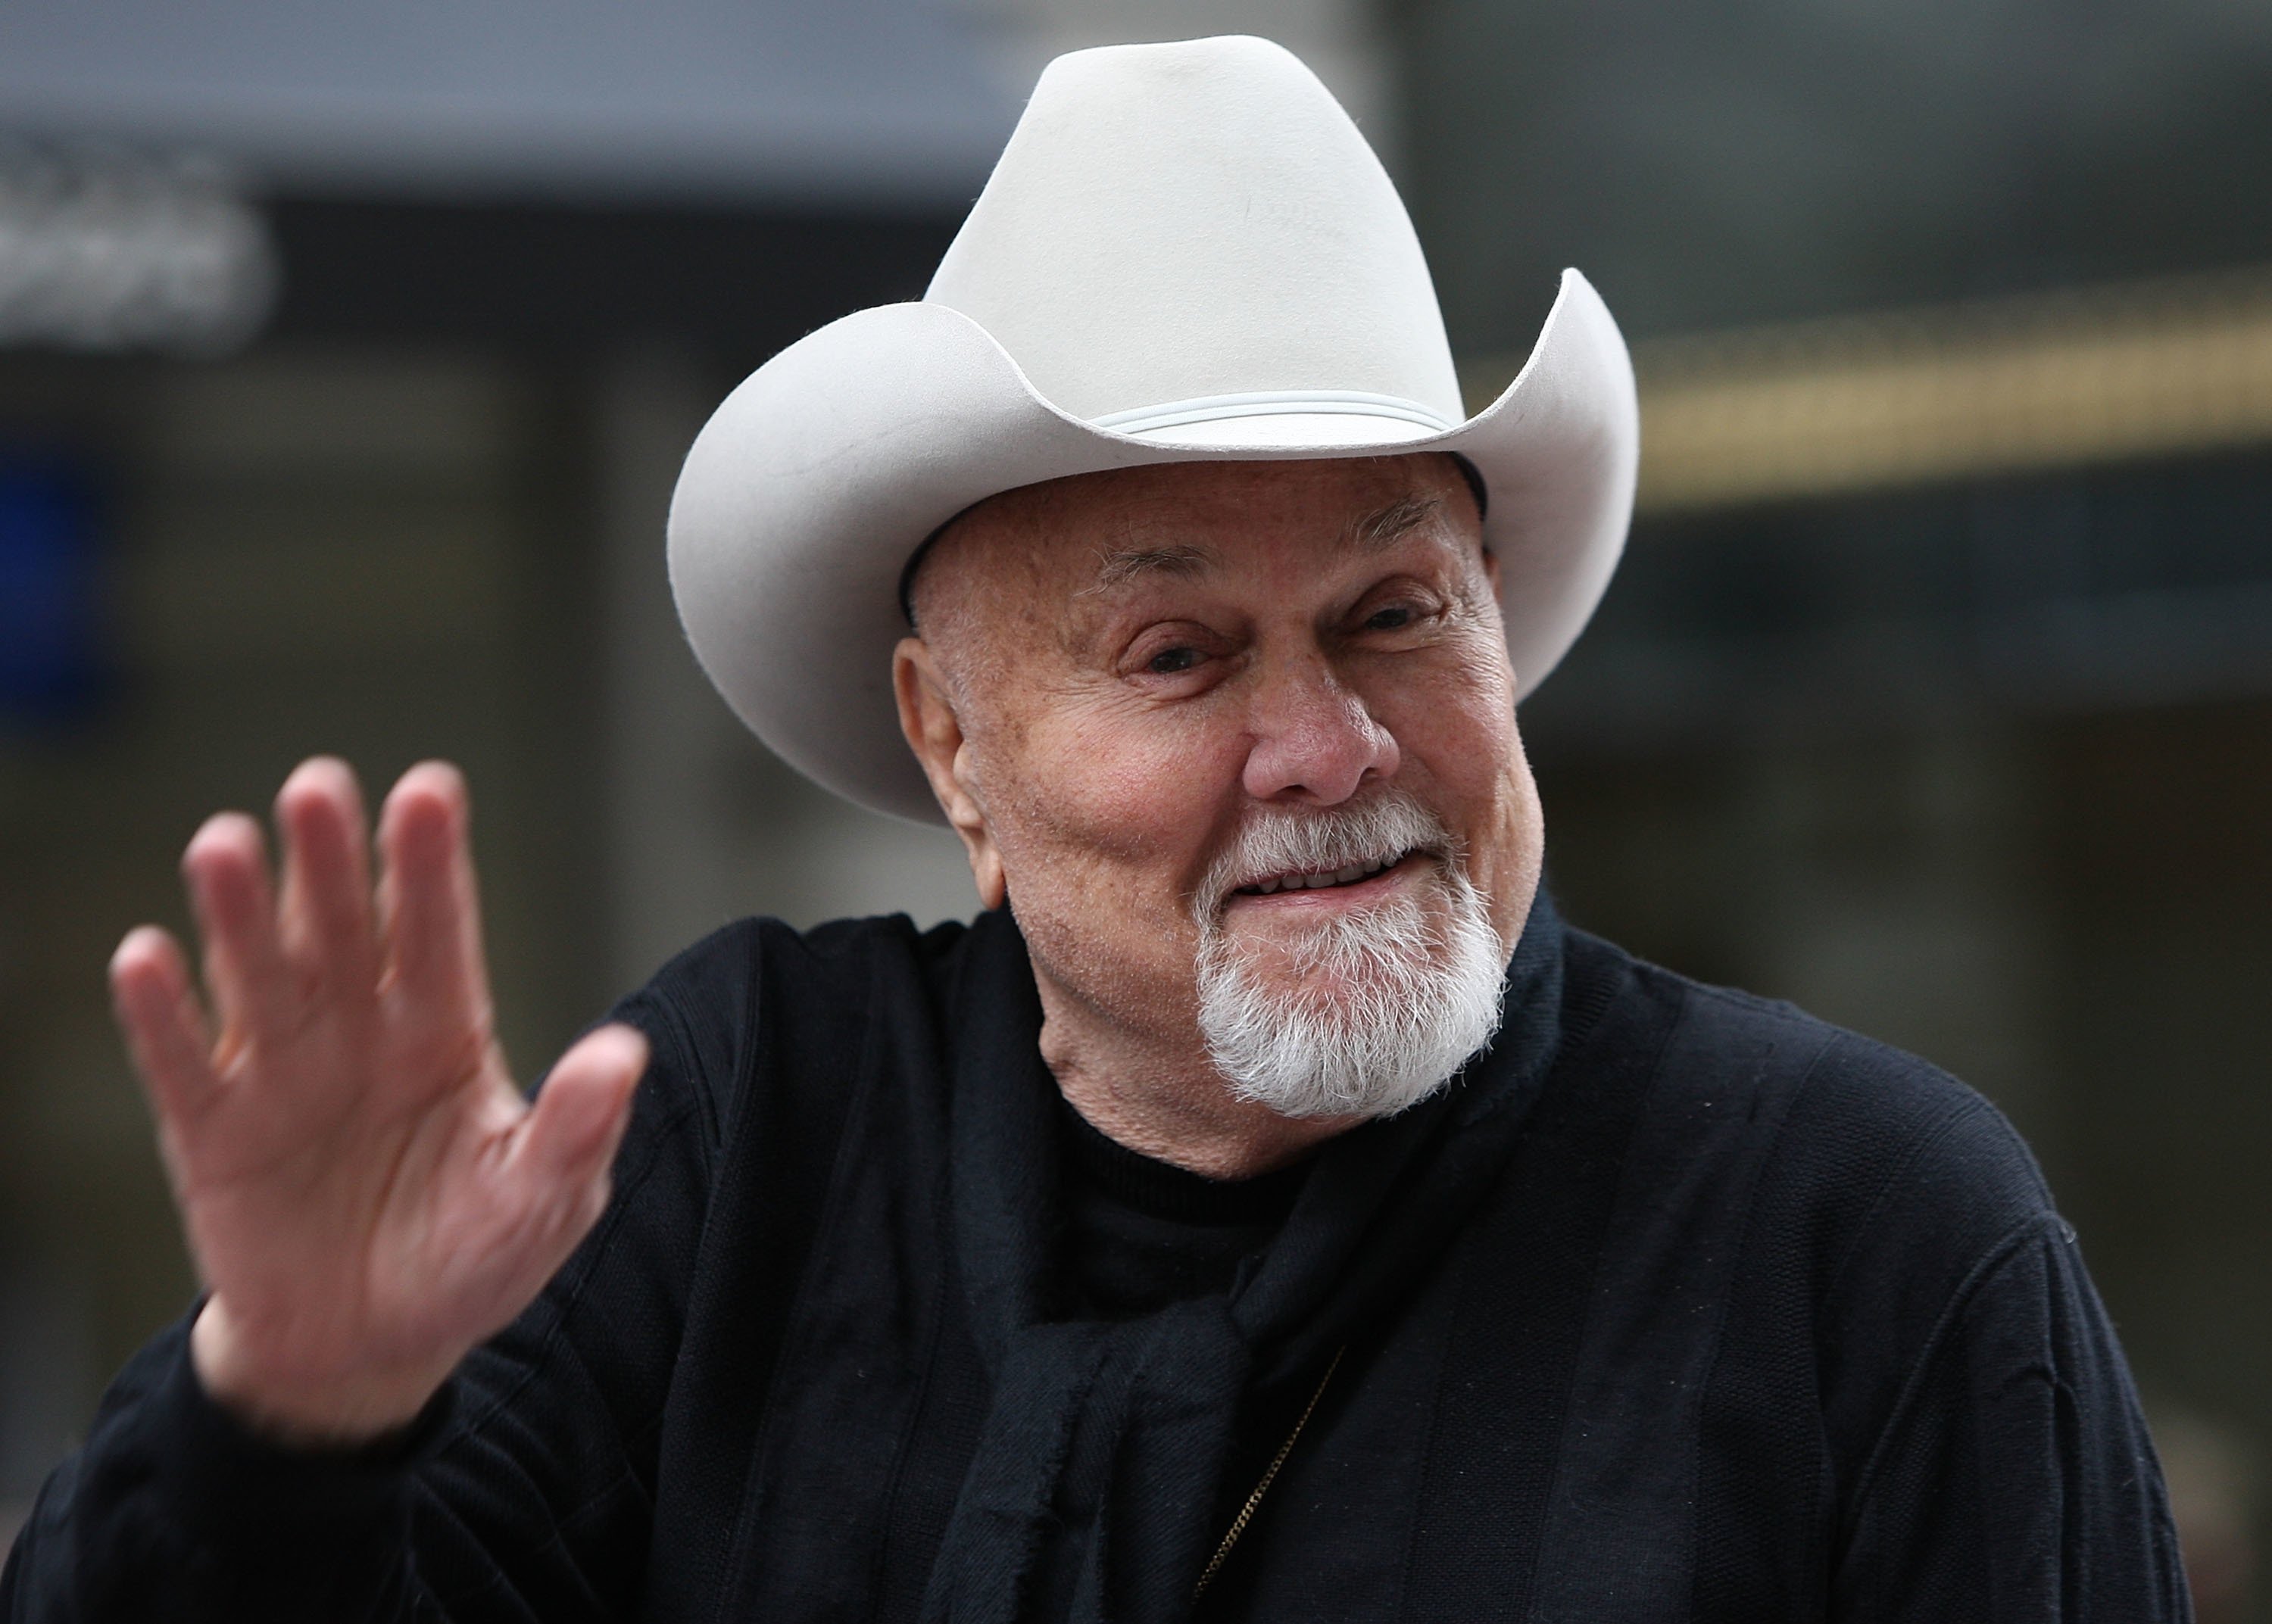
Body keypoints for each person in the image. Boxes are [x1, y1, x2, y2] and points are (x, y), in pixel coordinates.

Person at [3, 35, 2187, 1624]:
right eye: (1178, 656)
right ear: (953, 750)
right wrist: (292, 1410)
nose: (1325, 742)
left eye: (1393, 613)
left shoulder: (1867, 1241)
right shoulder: (740, 1137)